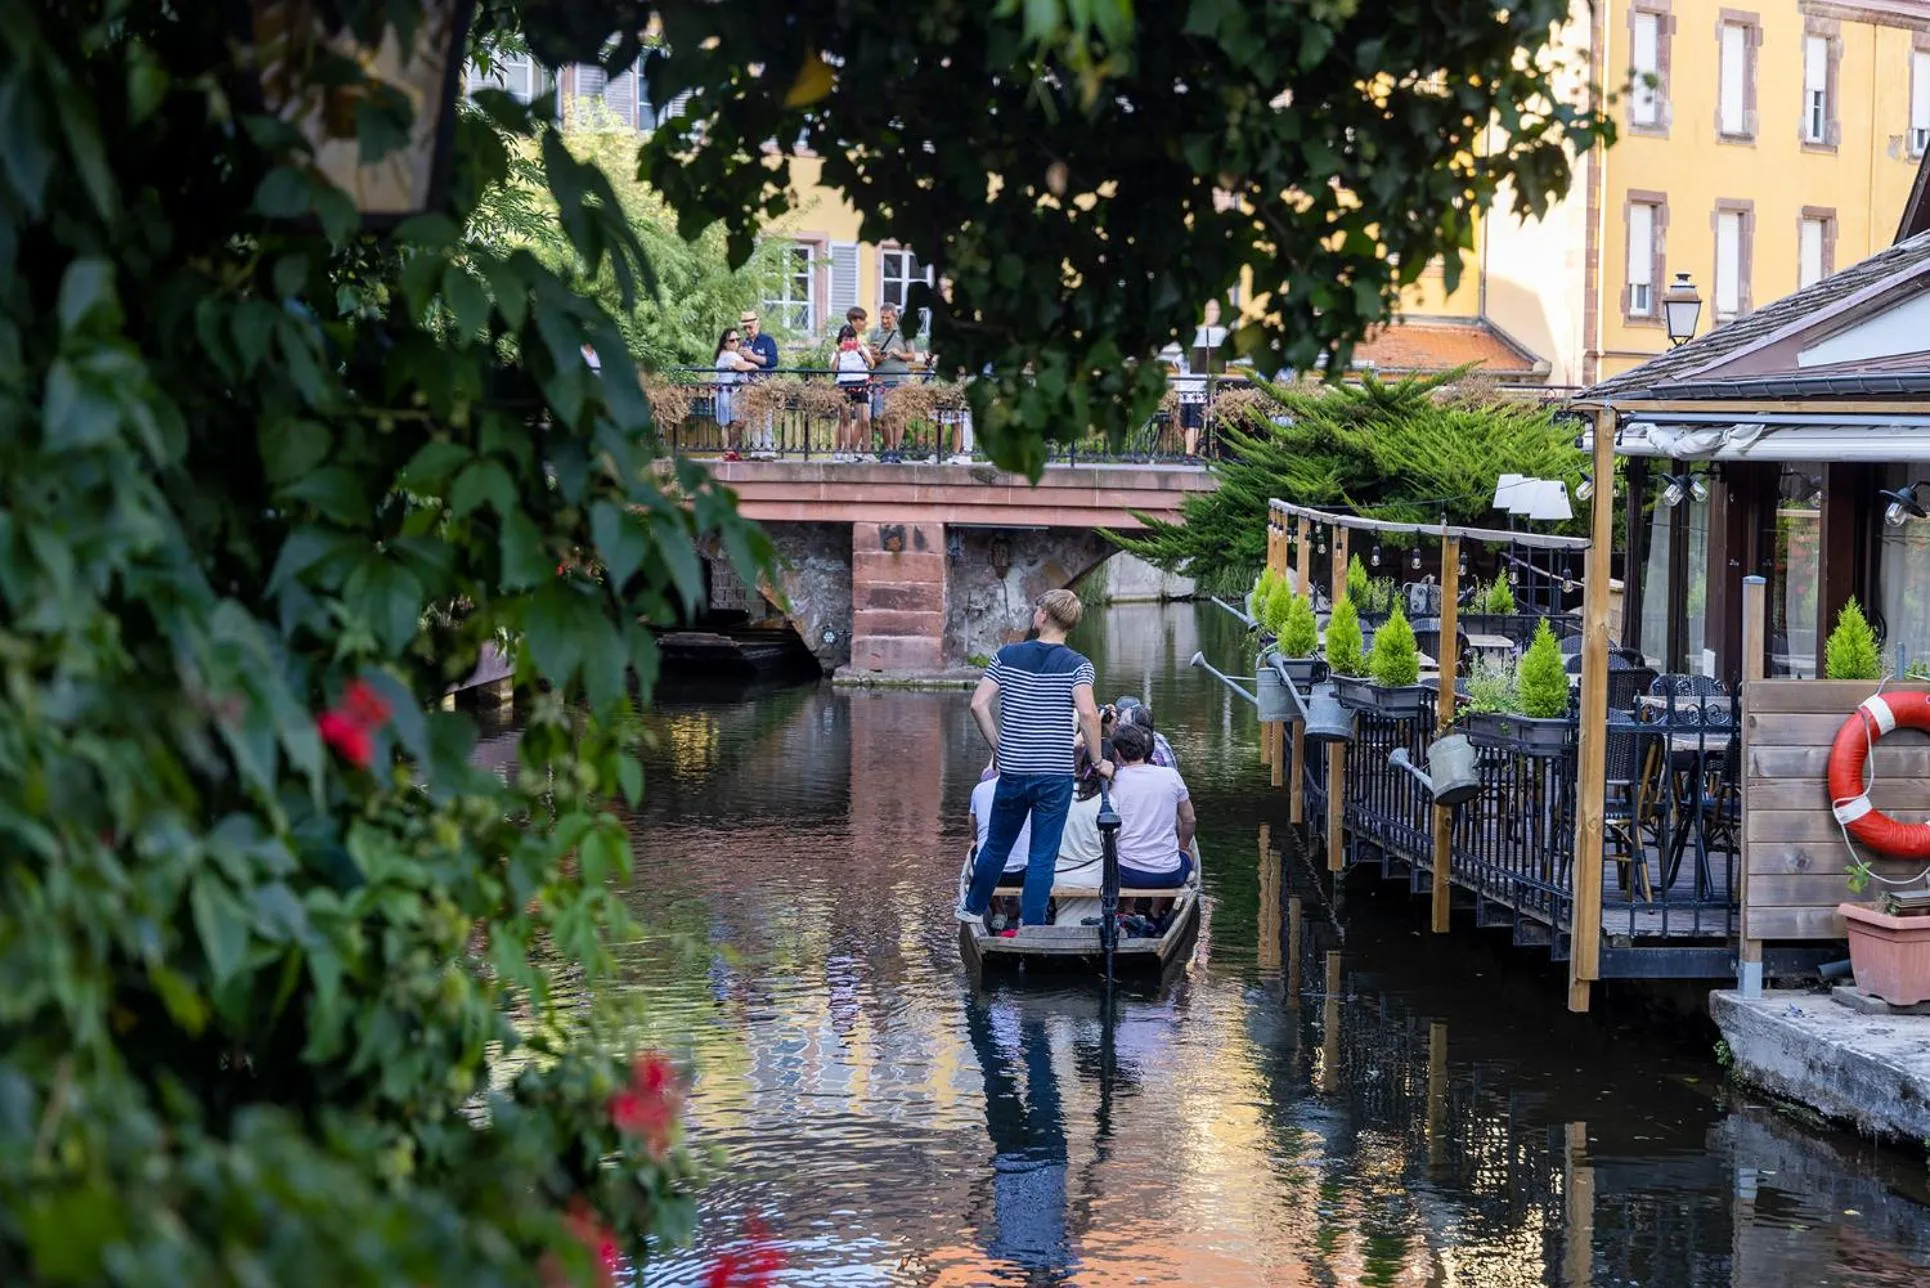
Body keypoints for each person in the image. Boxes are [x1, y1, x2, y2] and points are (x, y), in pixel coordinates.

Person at [957, 589, 1109, 930]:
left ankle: (971, 908)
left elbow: (978, 705)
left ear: (1042, 616)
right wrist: (1098, 760)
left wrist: (999, 748)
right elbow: (1088, 713)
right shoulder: (1078, 666)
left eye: (1037, 610)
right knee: (1043, 856)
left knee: (996, 844)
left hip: (1013, 769)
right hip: (1054, 773)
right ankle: (1034, 925)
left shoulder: (1006, 655)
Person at [1105, 722, 1195, 889]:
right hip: (1169, 874)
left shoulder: (1113, 781)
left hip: (1126, 874)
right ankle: (1155, 911)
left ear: (1117, 754)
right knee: (1189, 856)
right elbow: (1189, 820)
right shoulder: (1171, 776)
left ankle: (1128, 908)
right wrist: (1182, 847)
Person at [969, 761, 1032, 925]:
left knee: (978, 851)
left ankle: (997, 910)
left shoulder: (980, 790)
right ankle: (1030, 914)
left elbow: (974, 831)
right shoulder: (1034, 788)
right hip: (1024, 873)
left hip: (992, 875)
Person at [868, 303, 917, 462]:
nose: (884, 321)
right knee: (882, 416)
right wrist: (876, 357)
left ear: (895, 317)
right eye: (882, 317)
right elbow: (870, 358)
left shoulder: (904, 333)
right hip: (880, 380)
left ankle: (895, 451)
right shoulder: (874, 333)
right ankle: (888, 449)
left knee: (898, 416)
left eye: (887, 318)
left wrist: (899, 354)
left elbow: (912, 356)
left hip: (900, 380)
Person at [711, 326, 760, 459]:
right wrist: (753, 365)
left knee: (726, 423)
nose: (736, 342)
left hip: (724, 391)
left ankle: (729, 452)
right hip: (731, 392)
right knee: (735, 422)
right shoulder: (729, 355)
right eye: (732, 340)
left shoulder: (721, 355)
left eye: (738, 339)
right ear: (725, 342)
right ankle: (731, 451)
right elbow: (739, 365)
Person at [738, 310, 779, 456]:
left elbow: (773, 361)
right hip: (750, 384)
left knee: (766, 417)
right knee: (753, 418)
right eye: (745, 328)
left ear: (757, 324)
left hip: (765, 383)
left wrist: (753, 357)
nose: (748, 331)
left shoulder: (767, 340)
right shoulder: (745, 342)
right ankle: (756, 448)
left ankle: (768, 448)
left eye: (750, 327)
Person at [831, 323, 873, 462]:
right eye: (846, 339)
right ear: (841, 340)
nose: (849, 342)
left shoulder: (861, 349)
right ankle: (847, 450)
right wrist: (838, 353)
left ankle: (866, 451)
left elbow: (871, 364)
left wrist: (861, 350)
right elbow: (833, 370)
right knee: (845, 419)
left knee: (865, 419)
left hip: (861, 384)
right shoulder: (838, 352)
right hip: (844, 385)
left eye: (851, 338)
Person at [1113, 697, 1178, 769]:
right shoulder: (1159, 737)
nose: (1118, 723)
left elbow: (1121, 772)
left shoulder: (1140, 752)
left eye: (1122, 721)